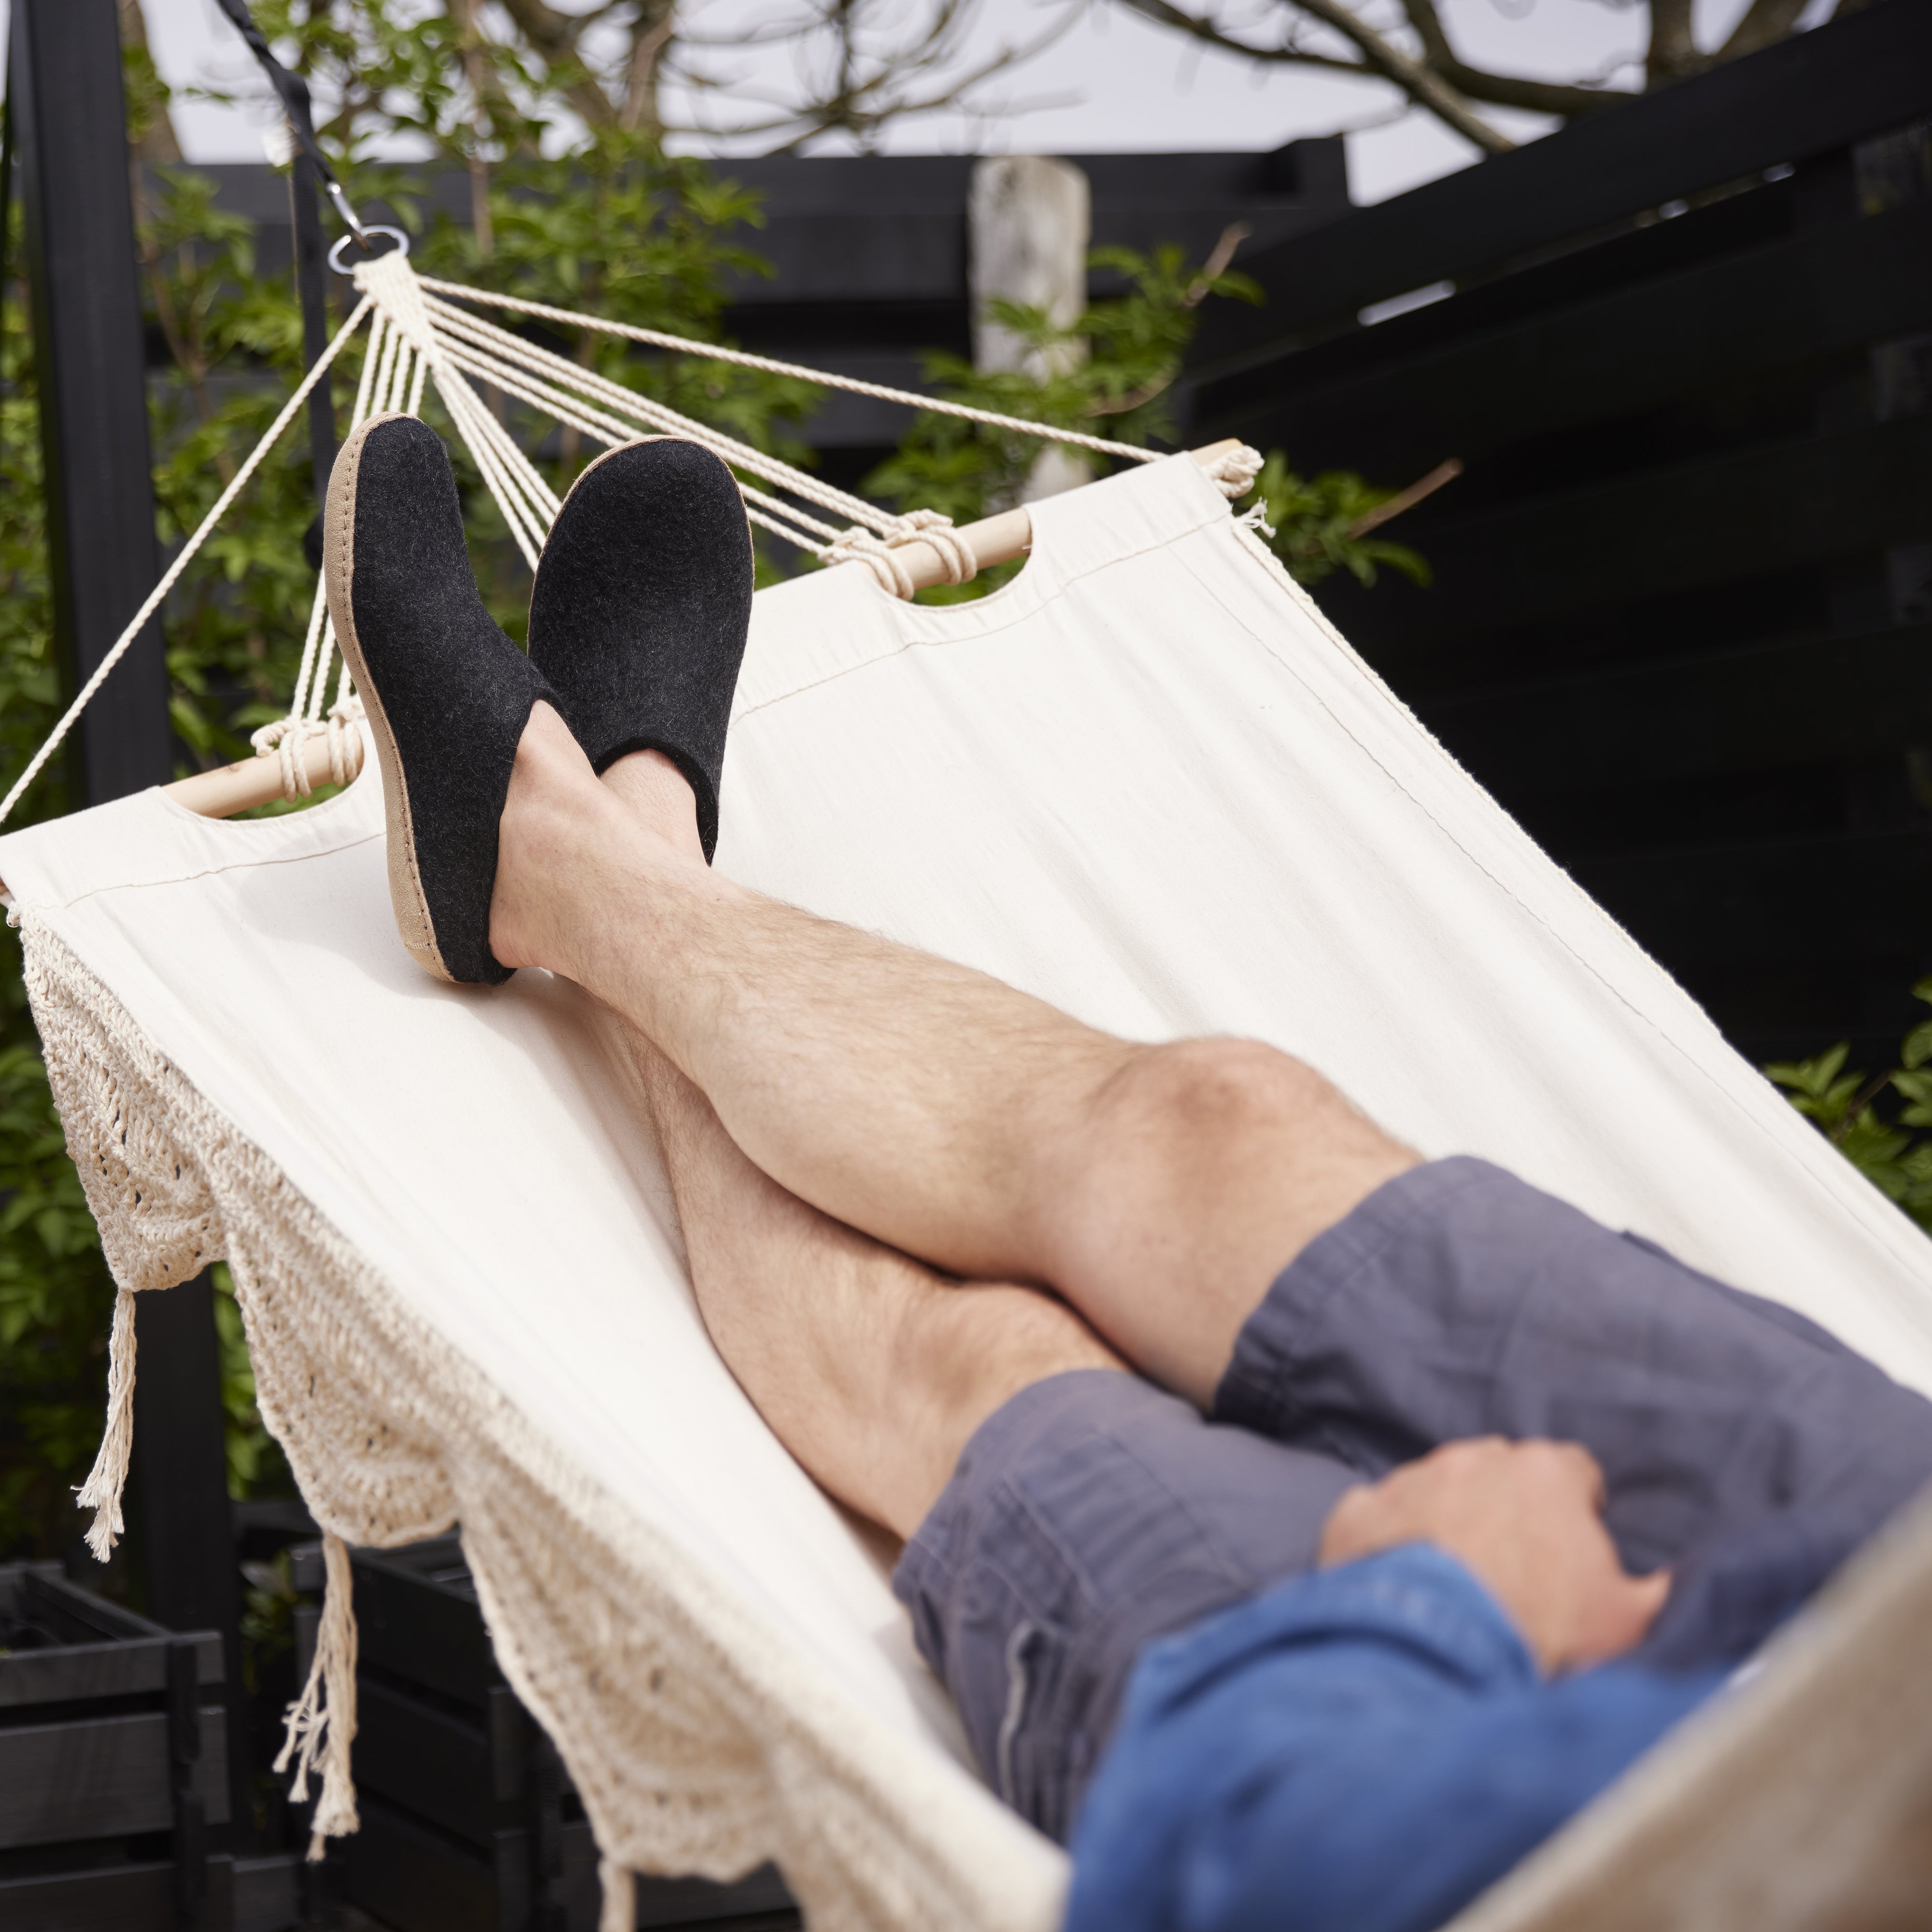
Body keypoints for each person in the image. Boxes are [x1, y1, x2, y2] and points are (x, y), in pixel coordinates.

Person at [325, 414, 1932, 1932]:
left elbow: (1231, 1872)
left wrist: (1441, 1600)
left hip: (1470, 1818)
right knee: (1217, 1121)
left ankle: (569, 860)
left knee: (986, 1362)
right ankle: (621, 859)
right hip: (1883, 1548)